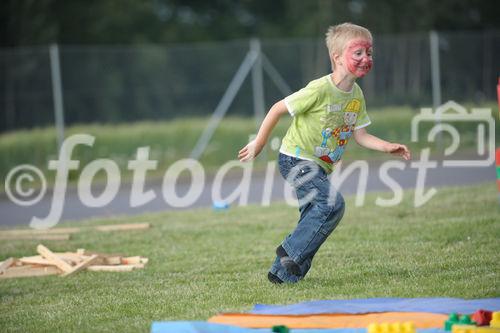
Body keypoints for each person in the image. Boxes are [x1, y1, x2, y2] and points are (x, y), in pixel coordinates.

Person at [238, 23, 411, 284]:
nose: (366, 58)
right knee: (332, 204)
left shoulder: (356, 96)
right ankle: (289, 252)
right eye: (358, 53)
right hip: (295, 158)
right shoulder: (320, 89)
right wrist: (259, 143)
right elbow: (277, 109)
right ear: (337, 57)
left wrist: (387, 146)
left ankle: (281, 275)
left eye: (369, 53)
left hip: (319, 167)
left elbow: (360, 134)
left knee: (314, 216)